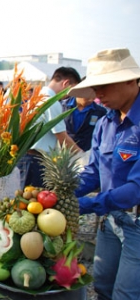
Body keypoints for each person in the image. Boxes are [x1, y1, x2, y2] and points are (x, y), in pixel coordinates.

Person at [70, 48, 140, 300]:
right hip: (110, 220)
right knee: (102, 287)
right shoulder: (105, 123)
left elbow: (136, 188)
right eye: (95, 87)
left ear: (131, 80)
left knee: (126, 294)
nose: (98, 95)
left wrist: (86, 204)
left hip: (136, 224)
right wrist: (65, 193)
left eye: (105, 86)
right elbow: (94, 172)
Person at [17, 67, 83, 188]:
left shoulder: (39, 95)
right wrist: (82, 157)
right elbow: (62, 137)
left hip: (25, 157)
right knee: (32, 201)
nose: (70, 95)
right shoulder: (51, 101)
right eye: (72, 89)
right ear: (66, 83)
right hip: (34, 160)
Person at [61, 77, 107, 152]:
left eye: (94, 95)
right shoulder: (62, 107)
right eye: (88, 95)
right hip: (61, 152)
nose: (91, 99)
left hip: (85, 153)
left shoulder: (100, 112)